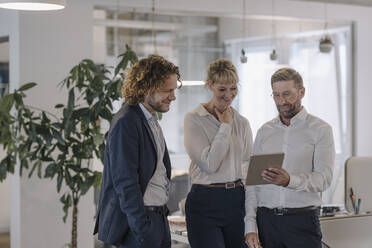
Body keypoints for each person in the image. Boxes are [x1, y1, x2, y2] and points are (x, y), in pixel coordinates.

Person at [93, 55, 180, 248]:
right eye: (167, 90)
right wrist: (142, 227)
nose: (173, 96)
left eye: (174, 89)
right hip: (140, 224)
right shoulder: (127, 122)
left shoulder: (151, 119)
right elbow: (125, 182)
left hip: (158, 217)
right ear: (146, 88)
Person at [245, 67, 335, 248]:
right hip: (266, 223)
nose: (282, 101)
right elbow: (254, 184)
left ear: (302, 92)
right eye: (276, 95)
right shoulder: (265, 131)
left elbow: (323, 178)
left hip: (302, 222)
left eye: (287, 94)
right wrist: (250, 226)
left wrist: (289, 180)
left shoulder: (320, 129)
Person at [184, 58, 256, 248]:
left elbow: (248, 164)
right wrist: (225, 126)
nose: (228, 95)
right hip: (205, 201)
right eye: (222, 89)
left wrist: (252, 207)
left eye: (233, 88)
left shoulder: (242, 122)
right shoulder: (194, 119)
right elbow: (210, 164)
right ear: (209, 85)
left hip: (236, 200)